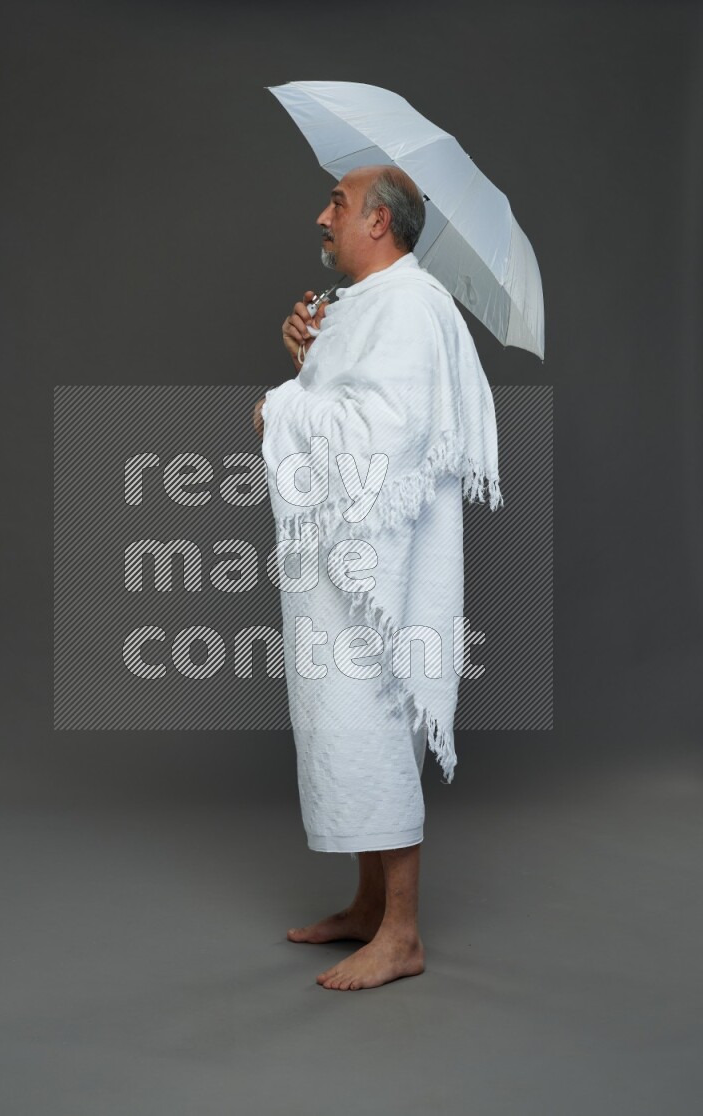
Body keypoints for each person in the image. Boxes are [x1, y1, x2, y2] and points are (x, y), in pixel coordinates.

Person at [253, 165, 501, 991]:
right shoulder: (367, 306)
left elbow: (384, 436)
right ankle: (366, 906)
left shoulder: (411, 307)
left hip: (378, 571)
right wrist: (306, 358)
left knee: (373, 723)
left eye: (337, 203)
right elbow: (348, 404)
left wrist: (278, 409)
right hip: (341, 561)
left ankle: (401, 934)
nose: (320, 214)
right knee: (343, 724)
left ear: (380, 224)